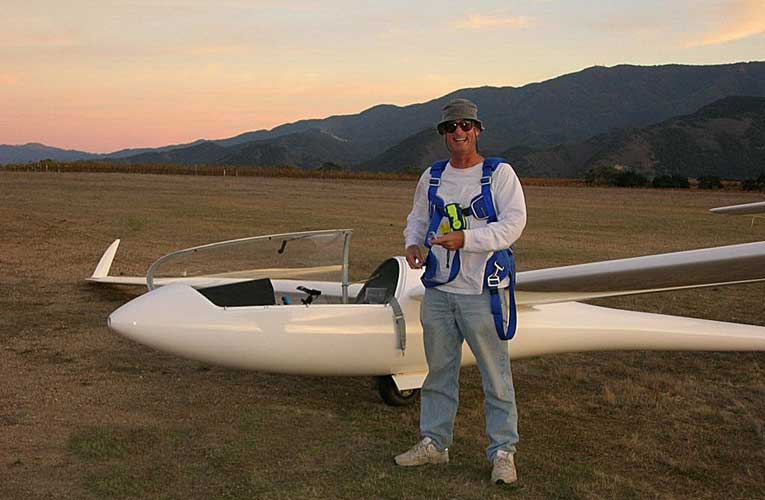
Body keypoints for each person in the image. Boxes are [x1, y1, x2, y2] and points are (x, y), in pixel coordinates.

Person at [395, 98, 527, 485]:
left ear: (478, 130)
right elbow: (418, 218)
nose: (459, 133)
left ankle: (503, 452)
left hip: (482, 292)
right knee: (438, 372)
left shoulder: (499, 174)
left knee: (496, 375)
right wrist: (414, 245)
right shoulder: (432, 176)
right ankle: (435, 443)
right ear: (443, 135)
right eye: (451, 128)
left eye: (466, 126)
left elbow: (512, 225)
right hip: (438, 291)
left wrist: (464, 239)